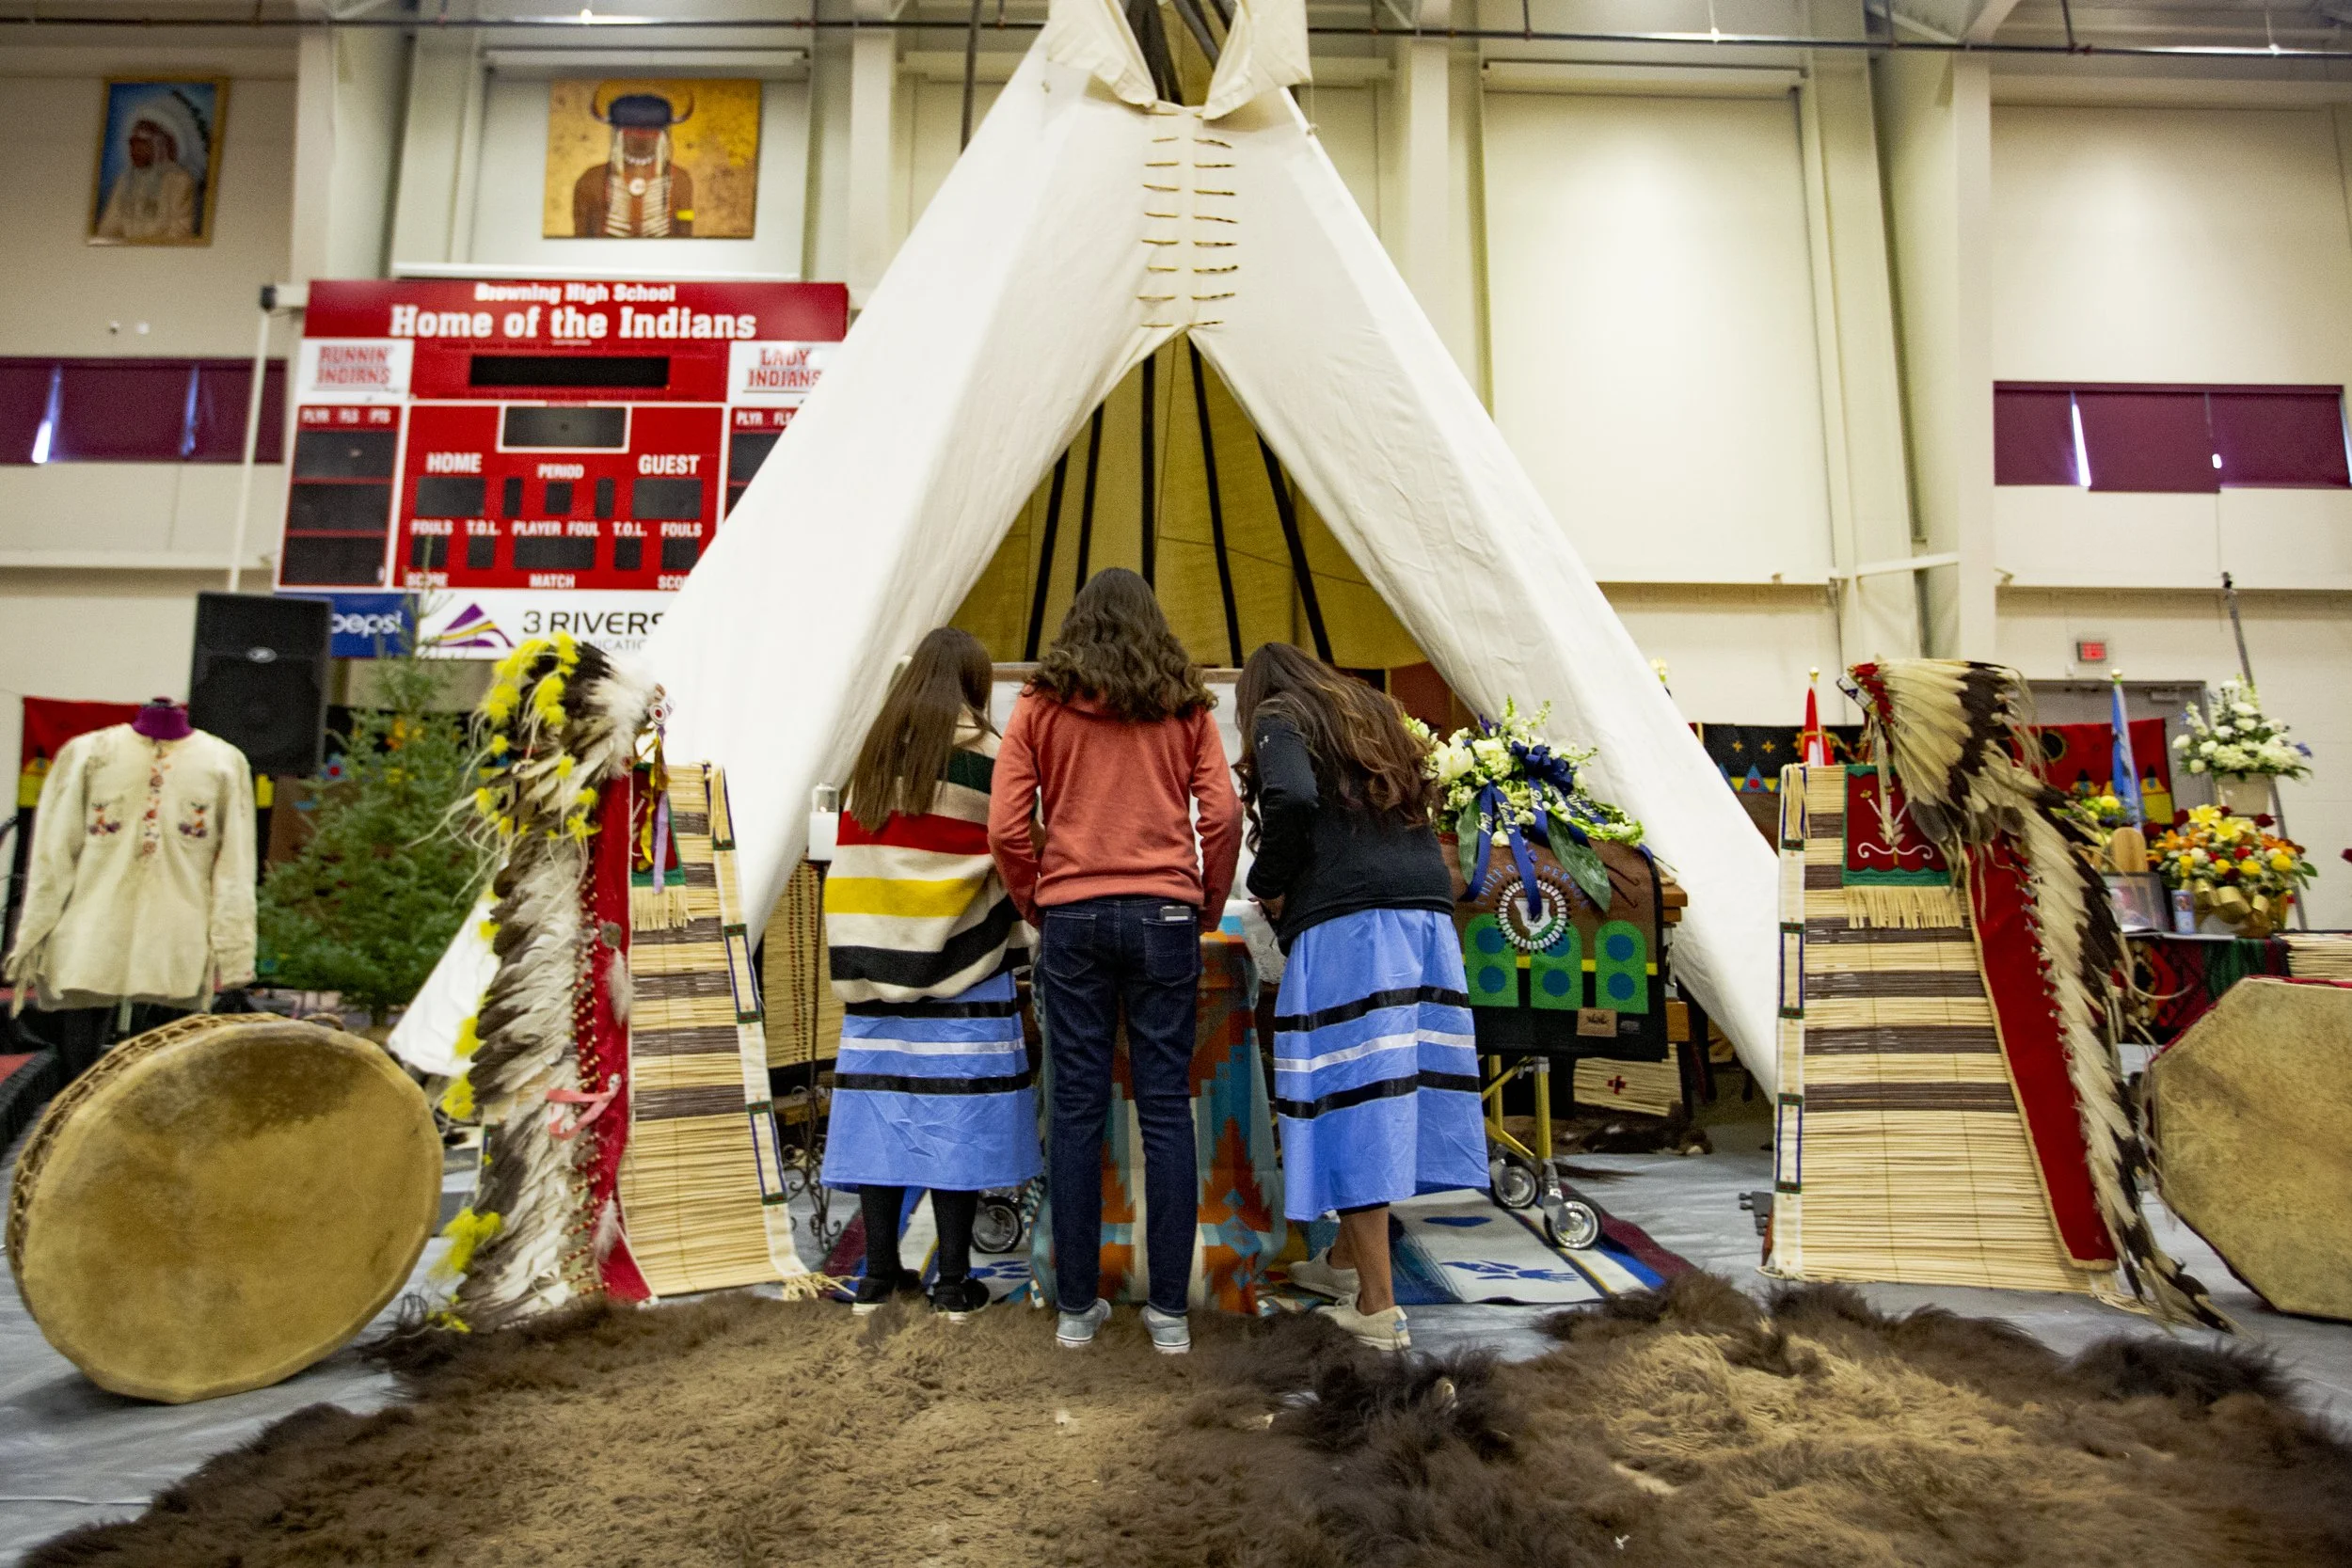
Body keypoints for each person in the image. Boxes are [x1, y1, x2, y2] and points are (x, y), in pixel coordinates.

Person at [988, 568, 1241, 1355]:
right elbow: (1224, 815)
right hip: (1166, 913)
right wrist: (1203, 900)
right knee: (1166, 1108)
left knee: (1074, 1109)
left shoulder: (1038, 704)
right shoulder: (1186, 705)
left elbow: (1005, 826)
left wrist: (1037, 900)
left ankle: (1075, 1311)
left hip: (1071, 915)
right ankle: (1169, 1313)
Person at [1232, 642, 1487, 1352]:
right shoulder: (1373, 710)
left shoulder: (1280, 715)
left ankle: (1378, 1307)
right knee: (1386, 1091)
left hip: (1352, 927)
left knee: (1350, 1102)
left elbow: (1291, 797)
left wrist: (1267, 878)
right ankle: (1345, 1266)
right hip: (1422, 915)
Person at [821, 626, 1038, 1322]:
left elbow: (855, 861)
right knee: (957, 1122)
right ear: (975, 684)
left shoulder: (873, 755)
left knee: (885, 1118)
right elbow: (1013, 846)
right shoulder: (991, 754)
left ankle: (879, 1276)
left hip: (875, 963)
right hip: (963, 968)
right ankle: (951, 1282)